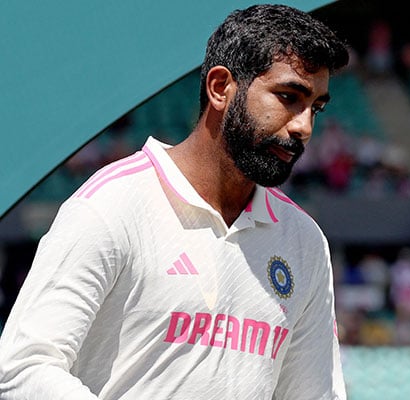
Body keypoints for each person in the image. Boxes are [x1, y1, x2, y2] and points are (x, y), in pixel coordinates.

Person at [0, 4, 350, 400]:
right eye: (288, 97)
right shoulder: (114, 203)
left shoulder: (303, 240)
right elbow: (22, 367)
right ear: (220, 88)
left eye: (315, 108)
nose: (303, 127)